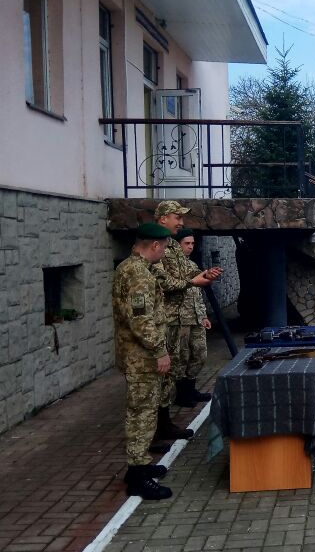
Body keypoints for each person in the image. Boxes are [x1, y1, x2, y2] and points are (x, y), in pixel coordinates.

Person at [111, 222, 175, 500]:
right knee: (142, 414)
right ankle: (137, 476)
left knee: (144, 411)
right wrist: (160, 351)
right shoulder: (137, 274)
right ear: (155, 246)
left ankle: (139, 466)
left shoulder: (131, 268)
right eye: (164, 247)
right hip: (142, 358)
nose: (164, 253)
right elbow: (141, 320)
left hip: (138, 355)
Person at [152, 201, 221, 445]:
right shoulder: (157, 247)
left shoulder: (171, 245)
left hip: (181, 319)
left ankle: (165, 423)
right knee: (164, 376)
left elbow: (190, 273)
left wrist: (206, 275)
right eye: (176, 217)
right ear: (162, 219)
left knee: (177, 370)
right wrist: (194, 281)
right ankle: (157, 429)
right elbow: (167, 283)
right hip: (167, 321)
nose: (181, 222)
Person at [171, 228, 213, 407]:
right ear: (178, 244)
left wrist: (203, 315)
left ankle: (191, 388)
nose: (190, 247)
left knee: (200, 354)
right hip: (179, 319)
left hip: (195, 318)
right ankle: (182, 394)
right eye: (186, 243)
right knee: (181, 357)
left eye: (192, 244)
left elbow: (197, 293)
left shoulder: (192, 266)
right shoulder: (171, 265)